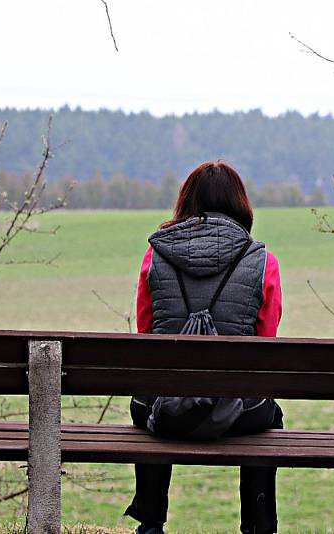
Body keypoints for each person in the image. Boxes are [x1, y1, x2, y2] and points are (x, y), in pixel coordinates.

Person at [125, 160, 284, 534]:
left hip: (164, 412)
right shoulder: (264, 262)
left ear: (185, 203)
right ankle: (258, 527)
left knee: (148, 400)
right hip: (240, 415)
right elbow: (267, 343)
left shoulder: (154, 256)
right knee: (271, 418)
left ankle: (150, 523)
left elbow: (146, 334)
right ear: (241, 205)